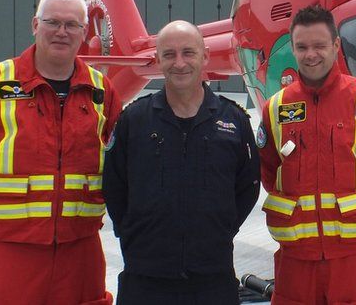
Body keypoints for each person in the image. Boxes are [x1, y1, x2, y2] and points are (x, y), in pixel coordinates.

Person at [0, 0, 121, 305]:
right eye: (53, 22)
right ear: (35, 25)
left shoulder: (101, 89)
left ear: (83, 33)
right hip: (9, 248)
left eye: (72, 25)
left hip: (80, 248)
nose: (62, 32)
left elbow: (119, 162)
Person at [257, 5, 356, 305]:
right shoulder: (275, 107)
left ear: (336, 45)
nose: (311, 54)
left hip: (354, 259)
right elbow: (269, 173)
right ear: (293, 49)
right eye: (302, 47)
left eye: (319, 46)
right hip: (296, 260)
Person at [103, 20, 260, 304]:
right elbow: (115, 188)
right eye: (169, 54)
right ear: (157, 60)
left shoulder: (233, 121)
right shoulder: (133, 121)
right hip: (146, 279)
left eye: (188, 52)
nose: (179, 63)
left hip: (213, 278)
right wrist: (135, 234)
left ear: (205, 56)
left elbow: (247, 186)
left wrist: (219, 229)